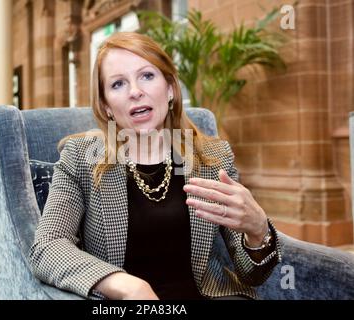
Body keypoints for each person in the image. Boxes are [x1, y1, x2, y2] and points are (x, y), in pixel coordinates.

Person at [29, 32, 281, 300]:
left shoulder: (213, 158)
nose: (136, 91)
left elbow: (252, 275)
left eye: (147, 76)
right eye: (118, 84)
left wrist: (258, 231)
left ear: (170, 88)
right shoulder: (81, 158)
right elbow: (47, 246)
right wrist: (126, 285)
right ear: (106, 106)